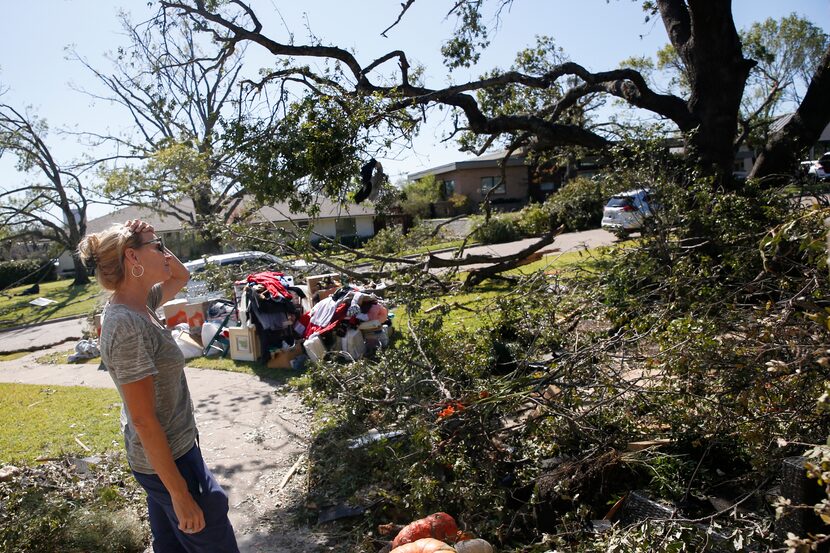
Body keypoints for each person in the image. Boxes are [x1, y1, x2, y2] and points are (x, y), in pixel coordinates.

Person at [78, 220, 239, 552]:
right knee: (212, 536)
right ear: (132, 258)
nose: (165, 252)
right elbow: (143, 419)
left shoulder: (142, 302)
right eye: (158, 245)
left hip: (170, 454)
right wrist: (179, 493)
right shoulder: (126, 325)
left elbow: (181, 277)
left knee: (173, 545)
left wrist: (152, 241)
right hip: (169, 461)